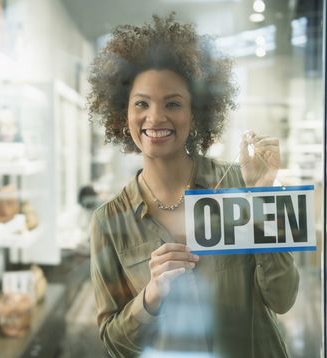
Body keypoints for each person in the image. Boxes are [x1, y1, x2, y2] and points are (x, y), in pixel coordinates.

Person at [88, 14, 299, 358]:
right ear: (122, 114)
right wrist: (151, 296)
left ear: (196, 112)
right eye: (141, 103)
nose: (155, 118)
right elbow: (114, 344)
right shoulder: (108, 222)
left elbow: (283, 298)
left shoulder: (237, 185)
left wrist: (261, 196)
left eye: (173, 103)